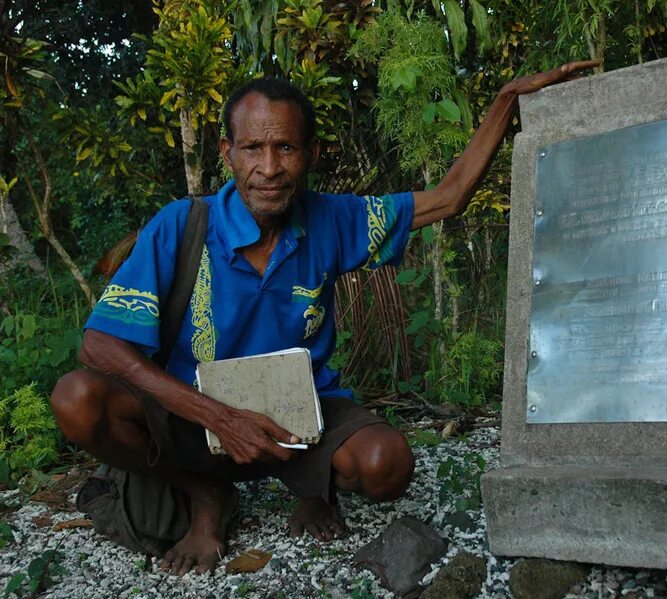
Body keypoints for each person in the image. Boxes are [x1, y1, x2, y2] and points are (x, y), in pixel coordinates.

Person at [50, 60, 598, 577]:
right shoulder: (182, 225)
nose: (269, 168)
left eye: (285, 147)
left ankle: (311, 491)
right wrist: (220, 417)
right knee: (78, 399)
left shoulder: (334, 219)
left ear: (310, 153)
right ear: (228, 152)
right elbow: (98, 346)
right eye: (253, 148)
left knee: (386, 463)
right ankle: (204, 493)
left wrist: (505, 100)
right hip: (198, 416)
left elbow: (449, 198)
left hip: (301, 414)